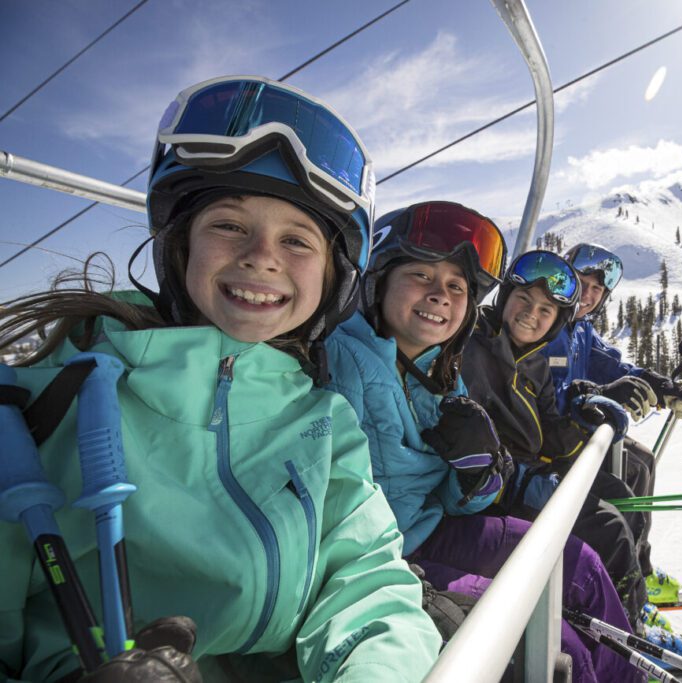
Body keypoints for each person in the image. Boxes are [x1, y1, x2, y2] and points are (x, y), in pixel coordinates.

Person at [0, 76, 439, 683]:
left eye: (296, 240)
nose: (262, 256)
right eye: (229, 226)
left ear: (333, 278)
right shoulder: (49, 405)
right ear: (179, 247)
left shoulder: (322, 421)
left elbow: (366, 577)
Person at [323, 202, 643, 683]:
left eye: (456, 287)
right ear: (379, 280)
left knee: (583, 566)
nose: (440, 296)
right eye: (422, 276)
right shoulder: (344, 359)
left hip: (433, 525)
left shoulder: (440, 369)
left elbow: (466, 491)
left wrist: (477, 474)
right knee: (556, 640)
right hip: (392, 551)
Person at [460, 250, 654, 640]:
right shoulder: (472, 346)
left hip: (528, 473)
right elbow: (474, 433)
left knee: (620, 496)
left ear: (557, 320)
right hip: (494, 489)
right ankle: (626, 637)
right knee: (609, 527)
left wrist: (584, 420)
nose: (532, 314)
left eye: (546, 310)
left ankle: (635, 606)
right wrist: (520, 479)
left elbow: (548, 429)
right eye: (523, 300)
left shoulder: (532, 358)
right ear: (505, 297)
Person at [542, 243, 682, 607]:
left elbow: (614, 367)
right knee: (622, 490)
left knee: (641, 461)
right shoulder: (547, 325)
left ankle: (640, 569)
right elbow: (546, 394)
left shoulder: (581, 330)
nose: (589, 295)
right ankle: (624, 584)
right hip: (554, 442)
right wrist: (597, 394)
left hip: (579, 431)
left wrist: (660, 386)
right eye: (583, 283)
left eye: (598, 290)